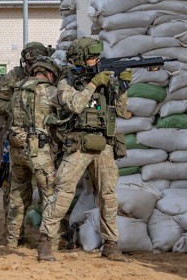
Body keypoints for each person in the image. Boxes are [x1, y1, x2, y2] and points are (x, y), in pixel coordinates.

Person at [37, 37, 131, 262]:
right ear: (79, 58)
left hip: (103, 145)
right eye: (91, 57)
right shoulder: (66, 82)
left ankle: (110, 245)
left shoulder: (104, 81)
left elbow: (120, 110)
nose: (95, 60)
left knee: (108, 196)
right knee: (63, 194)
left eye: (97, 56)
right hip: (78, 145)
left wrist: (124, 88)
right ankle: (45, 243)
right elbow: (74, 105)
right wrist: (93, 84)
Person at [3, 56, 62, 248]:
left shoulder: (17, 90)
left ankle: (12, 239)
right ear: (50, 73)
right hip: (39, 151)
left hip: (16, 148)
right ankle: (50, 242)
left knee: (17, 195)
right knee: (49, 196)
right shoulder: (50, 91)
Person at [0, 42, 50, 223]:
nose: (32, 67)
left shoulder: (47, 75)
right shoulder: (14, 76)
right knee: (13, 185)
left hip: (41, 138)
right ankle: (12, 226)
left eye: (36, 63)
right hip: (16, 137)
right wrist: (20, 106)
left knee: (46, 184)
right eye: (29, 63)